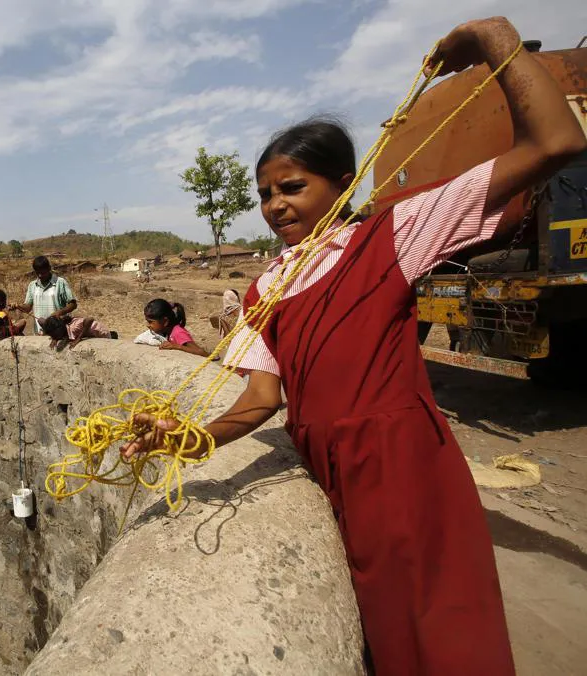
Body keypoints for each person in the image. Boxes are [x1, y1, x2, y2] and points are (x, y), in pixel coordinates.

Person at [124, 17, 586, 675]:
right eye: (265, 195)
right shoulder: (265, 289)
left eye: (292, 187)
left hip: (407, 472)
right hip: (337, 481)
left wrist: (491, 42)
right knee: (389, 644)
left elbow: (557, 141)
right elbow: (260, 401)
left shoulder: (394, 236)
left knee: (451, 640)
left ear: (343, 184)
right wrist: (182, 440)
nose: (276, 206)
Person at [9, 256, 77, 335]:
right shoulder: (32, 285)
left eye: (43, 272)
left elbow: (73, 304)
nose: (40, 275)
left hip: (58, 332)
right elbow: (27, 308)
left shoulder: (60, 282)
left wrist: (60, 312)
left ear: (49, 268)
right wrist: (18, 306)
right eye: (37, 273)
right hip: (39, 332)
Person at [143, 299, 209, 357]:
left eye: (150, 322)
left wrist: (177, 346)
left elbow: (202, 352)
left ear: (165, 321)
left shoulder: (178, 333)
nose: (148, 325)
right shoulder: (166, 330)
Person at [40, 315, 117, 350]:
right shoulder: (63, 328)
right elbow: (40, 320)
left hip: (101, 333)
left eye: (55, 336)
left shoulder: (73, 328)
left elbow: (90, 319)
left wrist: (78, 339)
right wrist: (55, 339)